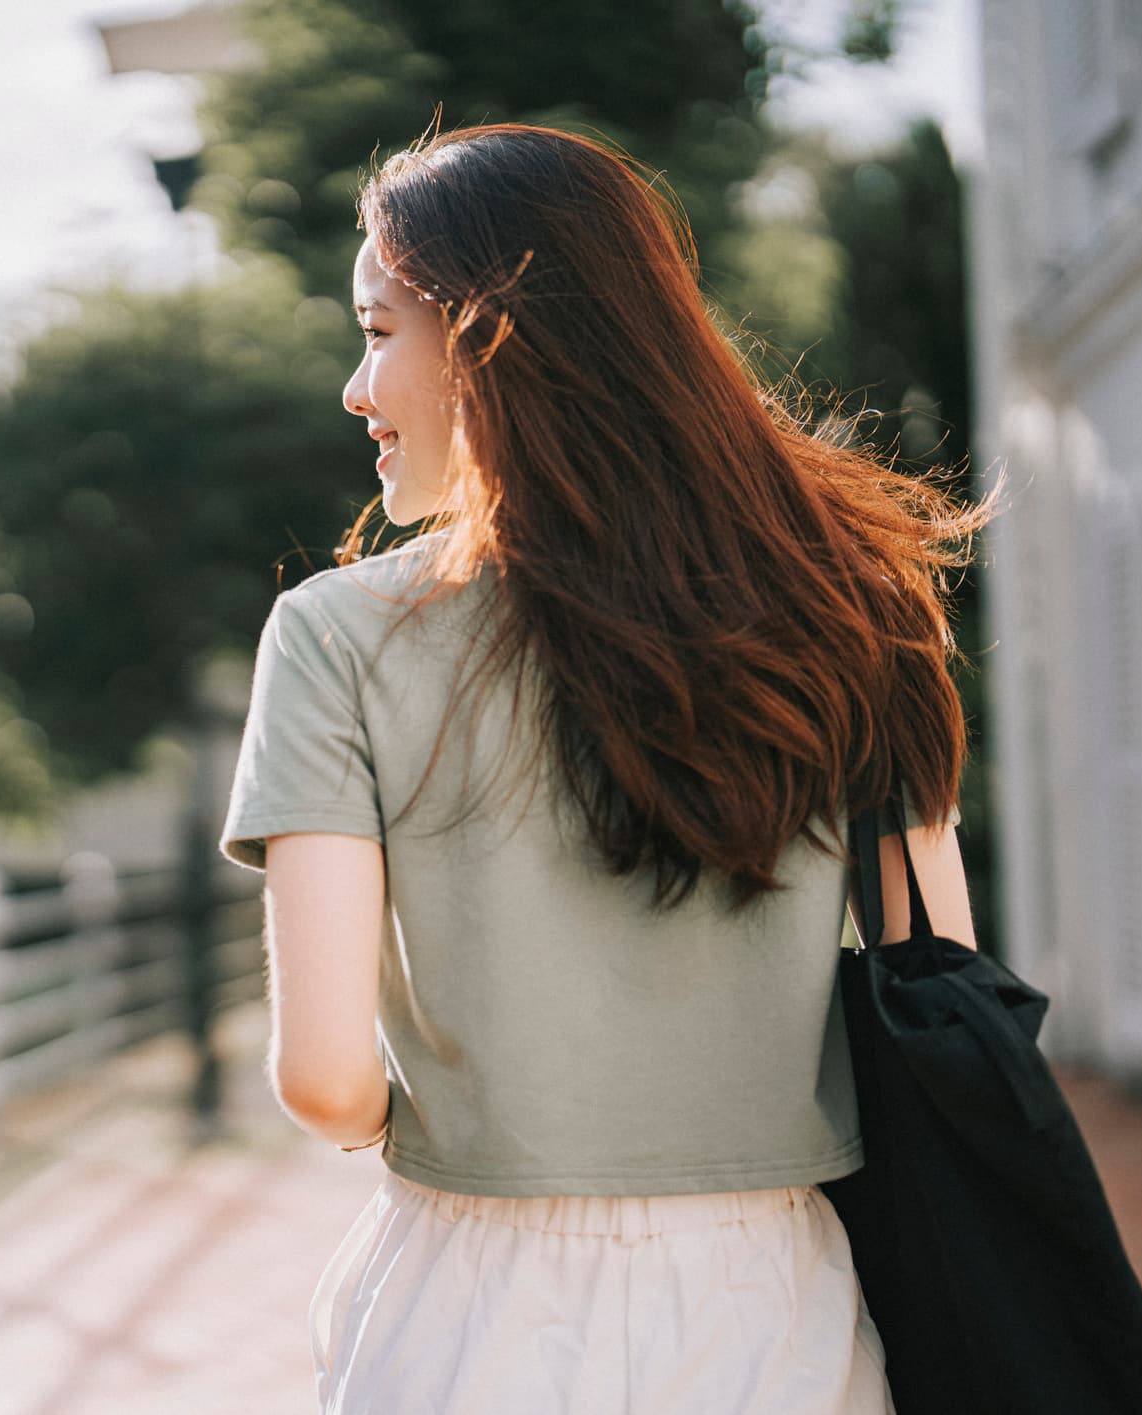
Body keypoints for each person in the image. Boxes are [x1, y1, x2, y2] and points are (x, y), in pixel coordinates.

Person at [217, 122, 1003, 1414]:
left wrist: (435, 1131)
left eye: (375, 331)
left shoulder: (339, 633)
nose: (358, 391)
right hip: (776, 1294)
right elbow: (944, 978)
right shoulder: (859, 603)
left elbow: (324, 1078)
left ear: (483, 338)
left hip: (469, 1292)